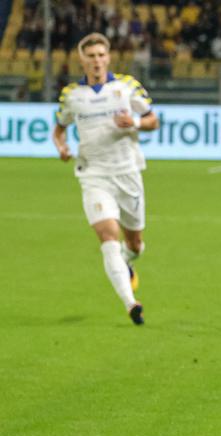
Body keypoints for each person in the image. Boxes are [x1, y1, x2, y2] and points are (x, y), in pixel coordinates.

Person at [52, 33, 159, 325]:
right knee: (108, 235)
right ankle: (131, 303)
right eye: (91, 56)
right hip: (93, 174)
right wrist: (61, 148)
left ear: (108, 57)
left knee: (135, 243)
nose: (96, 61)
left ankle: (128, 260)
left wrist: (135, 122)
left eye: (101, 55)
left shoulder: (126, 86)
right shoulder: (72, 95)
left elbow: (153, 120)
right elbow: (59, 129)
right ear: (82, 60)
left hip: (127, 172)